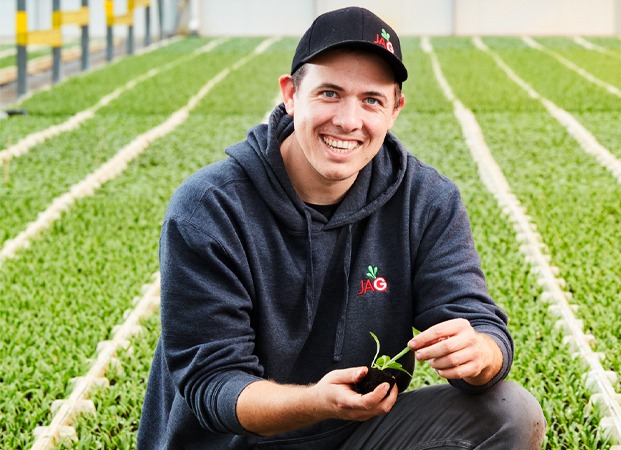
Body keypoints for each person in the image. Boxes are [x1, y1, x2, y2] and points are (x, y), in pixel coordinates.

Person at [138, 6, 545, 449]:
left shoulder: (425, 200)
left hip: (355, 437)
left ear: (395, 109)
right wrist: (316, 401)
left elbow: (478, 321)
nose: (349, 121)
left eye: (371, 99)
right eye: (329, 93)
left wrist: (480, 354)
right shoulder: (211, 208)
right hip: (235, 442)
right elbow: (213, 385)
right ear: (291, 95)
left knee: (509, 414)